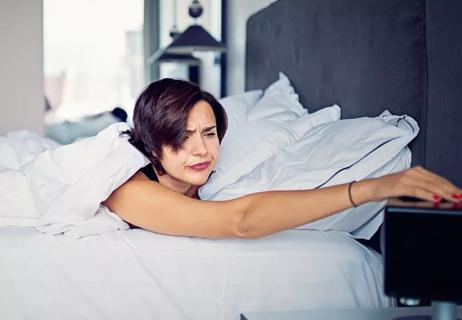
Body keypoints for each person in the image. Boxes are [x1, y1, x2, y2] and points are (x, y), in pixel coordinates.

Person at [103, 78, 462, 239]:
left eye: (209, 133)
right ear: (152, 147)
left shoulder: (200, 179)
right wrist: (371, 188)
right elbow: (242, 221)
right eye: (182, 138)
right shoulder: (131, 189)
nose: (201, 150)